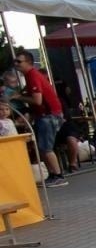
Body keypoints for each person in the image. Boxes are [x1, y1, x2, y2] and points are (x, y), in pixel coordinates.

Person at [14, 50, 66, 187]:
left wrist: (19, 97)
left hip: (48, 115)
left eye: (19, 61)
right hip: (48, 115)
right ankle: (53, 174)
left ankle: (59, 176)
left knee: (46, 148)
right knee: (43, 147)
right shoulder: (31, 76)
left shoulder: (32, 76)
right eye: (15, 61)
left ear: (29, 62)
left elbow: (37, 100)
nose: (16, 64)